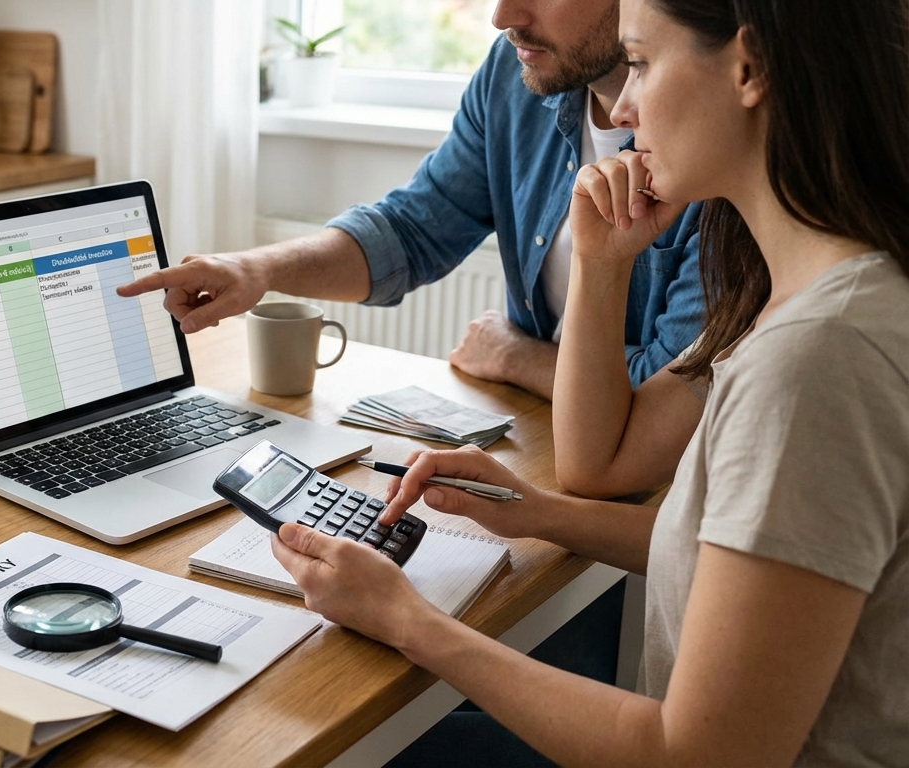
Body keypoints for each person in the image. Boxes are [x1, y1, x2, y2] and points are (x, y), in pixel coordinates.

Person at [272, 0, 909, 764]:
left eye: (639, 62)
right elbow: (733, 551)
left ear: (752, 68)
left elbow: (694, 756)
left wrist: (405, 618)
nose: (626, 106)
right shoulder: (820, 291)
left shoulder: (815, 360)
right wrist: (536, 512)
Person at [117, 0, 705, 400]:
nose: (503, 16)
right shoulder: (515, 72)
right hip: (539, 435)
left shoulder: (712, 148)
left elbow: (668, 390)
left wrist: (515, 358)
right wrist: (257, 269)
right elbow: (412, 232)